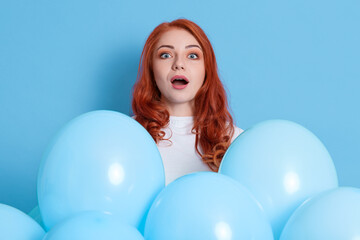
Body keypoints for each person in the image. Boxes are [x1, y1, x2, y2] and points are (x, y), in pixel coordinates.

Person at [131, 18, 243, 185]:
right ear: (151, 68)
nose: (179, 64)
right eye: (166, 55)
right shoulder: (129, 136)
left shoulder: (236, 143)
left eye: (192, 55)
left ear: (207, 69)